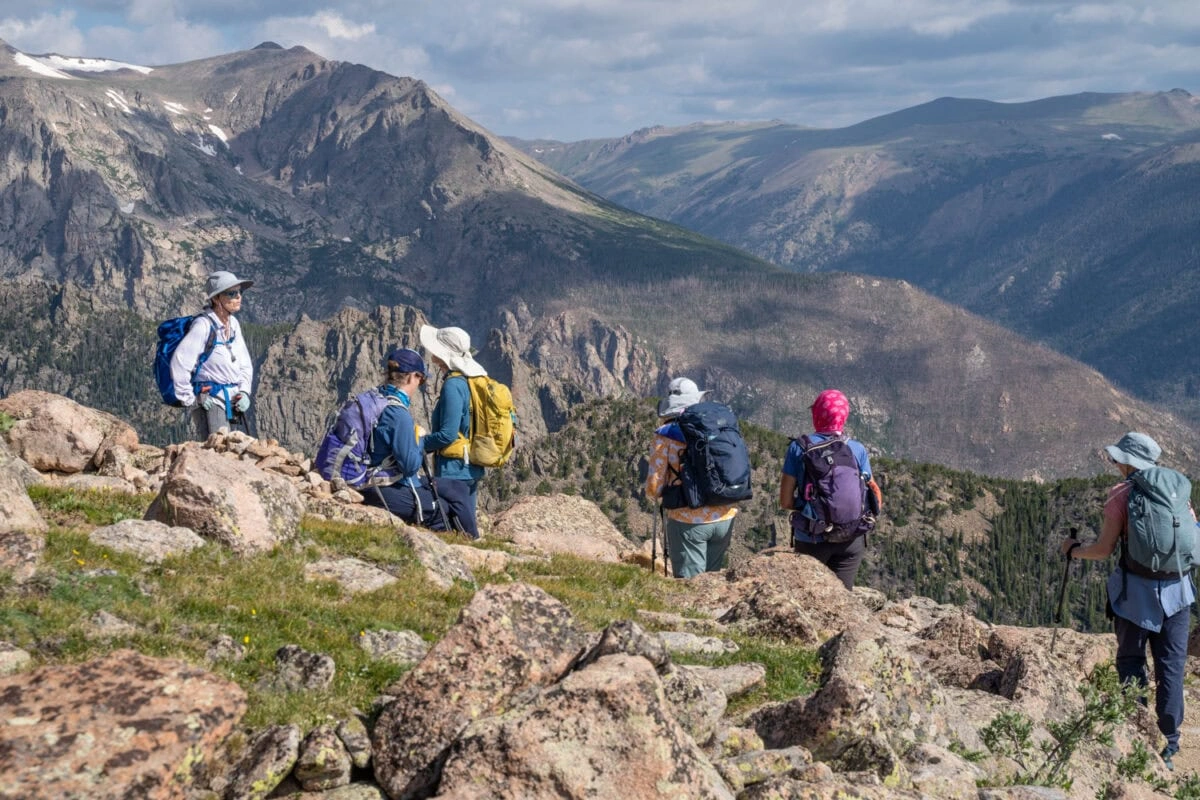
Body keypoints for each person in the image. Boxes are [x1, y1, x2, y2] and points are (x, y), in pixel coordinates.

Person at [1060, 432, 1197, 771]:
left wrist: (1074, 551)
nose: (1114, 463)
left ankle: (1134, 736)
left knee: (1132, 661)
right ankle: (1169, 745)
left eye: (1116, 458)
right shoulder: (1178, 491)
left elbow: (1105, 549)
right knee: (1171, 668)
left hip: (1136, 595)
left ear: (1126, 462)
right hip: (1179, 593)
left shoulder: (1121, 495)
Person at [361, 348, 476, 536]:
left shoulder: (377, 397)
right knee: (443, 508)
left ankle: (474, 539)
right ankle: (467, 543)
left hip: (377, 478)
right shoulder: (397, 413)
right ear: (411, 377)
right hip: (383, 486)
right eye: (421, 379)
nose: (420, 384)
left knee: (456, 487)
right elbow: (410, 466)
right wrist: (420, 439)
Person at [778, 388, 874, 590]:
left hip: (812, 538)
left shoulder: (800, 448)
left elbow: (785, 501)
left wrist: (811, 509)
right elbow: (872, 494)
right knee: (842, 599)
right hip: (852, 538)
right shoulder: (857, 449)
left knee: (808, 595)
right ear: (844, 416)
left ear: (817, 414)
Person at [643, 377, 737, 578]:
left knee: (690, 587)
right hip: (725, 516)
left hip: (688, 520)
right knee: (712, 583)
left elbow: (654, 487)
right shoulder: (718, 427)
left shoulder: (666, 435)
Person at [419, 324, 486, 539]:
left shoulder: (453, 385)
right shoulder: (470, 379)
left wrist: (419, 444)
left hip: (454, 469)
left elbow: (448, 434)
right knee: (467, 528)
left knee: (456, 532)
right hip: (470, 466)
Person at [170, 270, 254, 440]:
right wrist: (191, 399)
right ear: (216, 299)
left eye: (240, 292)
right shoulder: (203, 326)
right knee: (218, 449)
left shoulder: (234, 324)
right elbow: (180, 362)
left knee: (232, 450)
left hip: (232, 399)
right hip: (211, 399)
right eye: (232, 293)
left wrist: (244, 391)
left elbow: (244, 362)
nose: (238, 297)